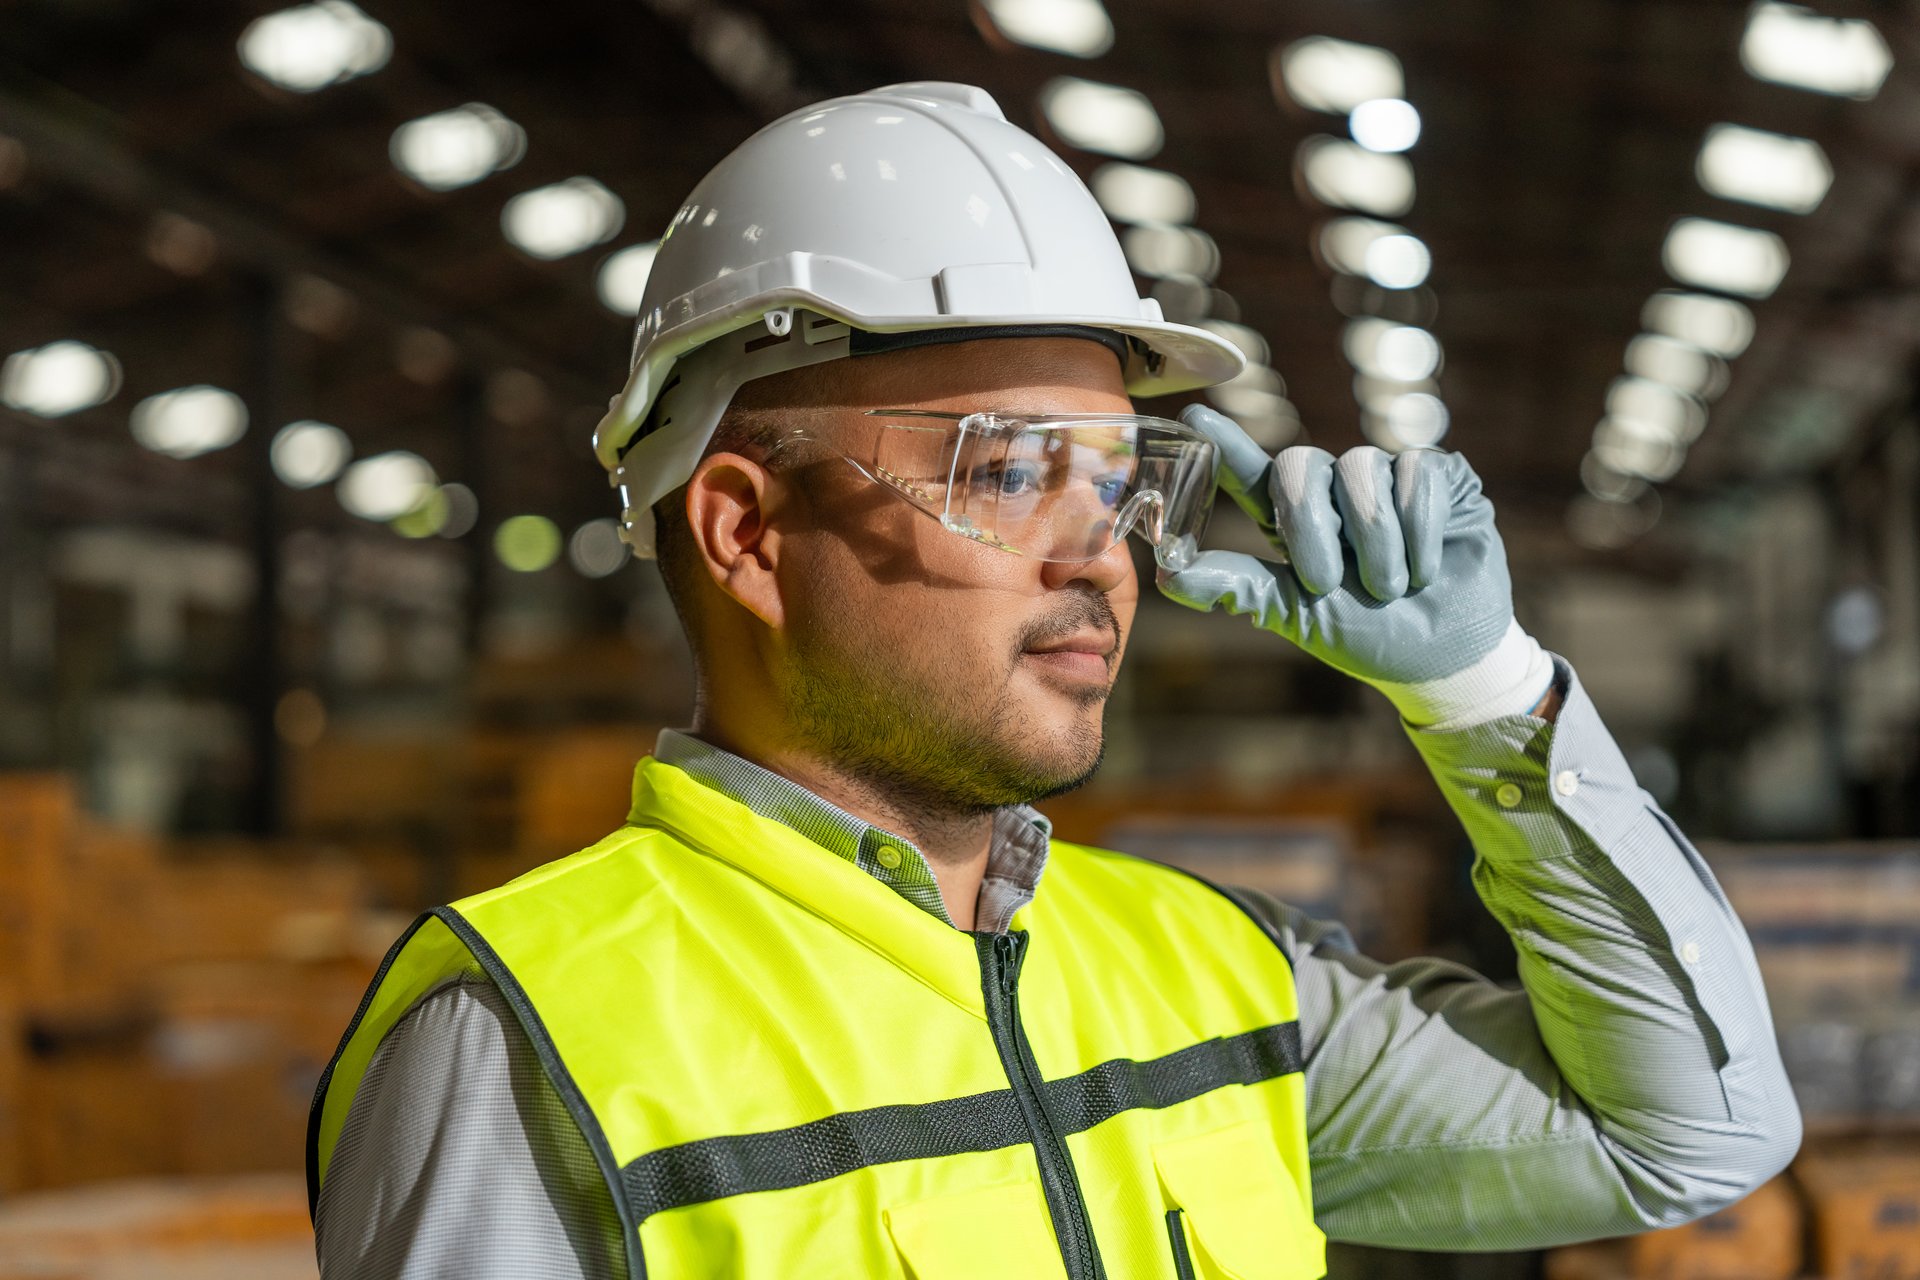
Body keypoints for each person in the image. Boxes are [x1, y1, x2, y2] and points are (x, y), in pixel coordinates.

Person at [308, 83, 1800, 1280]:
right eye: (1010, 467)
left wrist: (1481, 687)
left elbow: (1691, 1135)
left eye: (1123, 479)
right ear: (749, 534)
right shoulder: (535, 1041)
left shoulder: (1203, 975)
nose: (1105, 553)